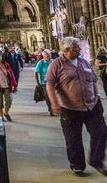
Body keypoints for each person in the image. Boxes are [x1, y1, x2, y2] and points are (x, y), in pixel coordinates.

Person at [45, 37, 107, 177]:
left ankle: (97, 161)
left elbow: (93, 81)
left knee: (101, 132)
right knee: (73, 138)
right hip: (70, 107)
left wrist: (96, 96)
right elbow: (49, 83)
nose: (80, 49)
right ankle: (78, 166)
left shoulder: (83, 62)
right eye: (77, 47)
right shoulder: (56, 65)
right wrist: (54, 103)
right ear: (67, 49)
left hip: (92, 105)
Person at [35, 49, 55, 116]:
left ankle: (56, 108)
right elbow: (36, 72)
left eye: (50, 54)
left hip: (54, 82)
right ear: (43, 56)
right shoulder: (41, 63)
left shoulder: (54, 62)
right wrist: (38, 82)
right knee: (48, 96)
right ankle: (50, 109)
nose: (49, 56)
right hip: (45, 82)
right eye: (47, 54)